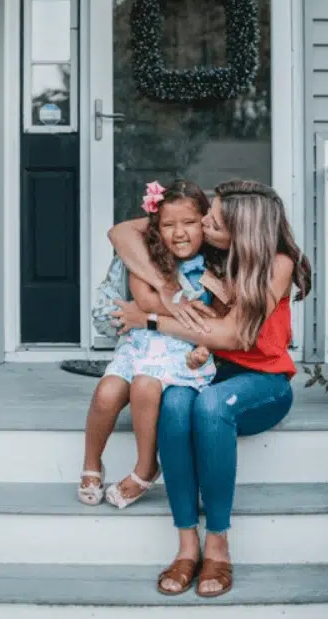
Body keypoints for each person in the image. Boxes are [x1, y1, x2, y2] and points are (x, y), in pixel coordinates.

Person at [109, 179, 311, 598]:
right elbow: (124, 233)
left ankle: (217, 543)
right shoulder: (214, 253)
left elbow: (234, 336)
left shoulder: (277, 264)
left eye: (213, 220)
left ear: (242, 227)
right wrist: (165, 290)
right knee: (177, 400)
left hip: (264, 382)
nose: (203, 222)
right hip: (208, 370)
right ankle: (187, 544)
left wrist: (149, 319)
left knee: (211, 406)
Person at [78, 179, 222, 509]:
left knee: (145, 387)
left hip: (180, 348)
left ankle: (146, 466)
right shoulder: (145, 258)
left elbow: (215, 317)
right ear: (156, 227)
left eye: (188, 223)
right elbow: (142, 299)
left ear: (204, 222)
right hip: (141, 344)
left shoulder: (215, 267)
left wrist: (204, 346)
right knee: (106, 392)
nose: (179, 232)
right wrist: (176, 302)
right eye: (169, 224)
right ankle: (91, 463)